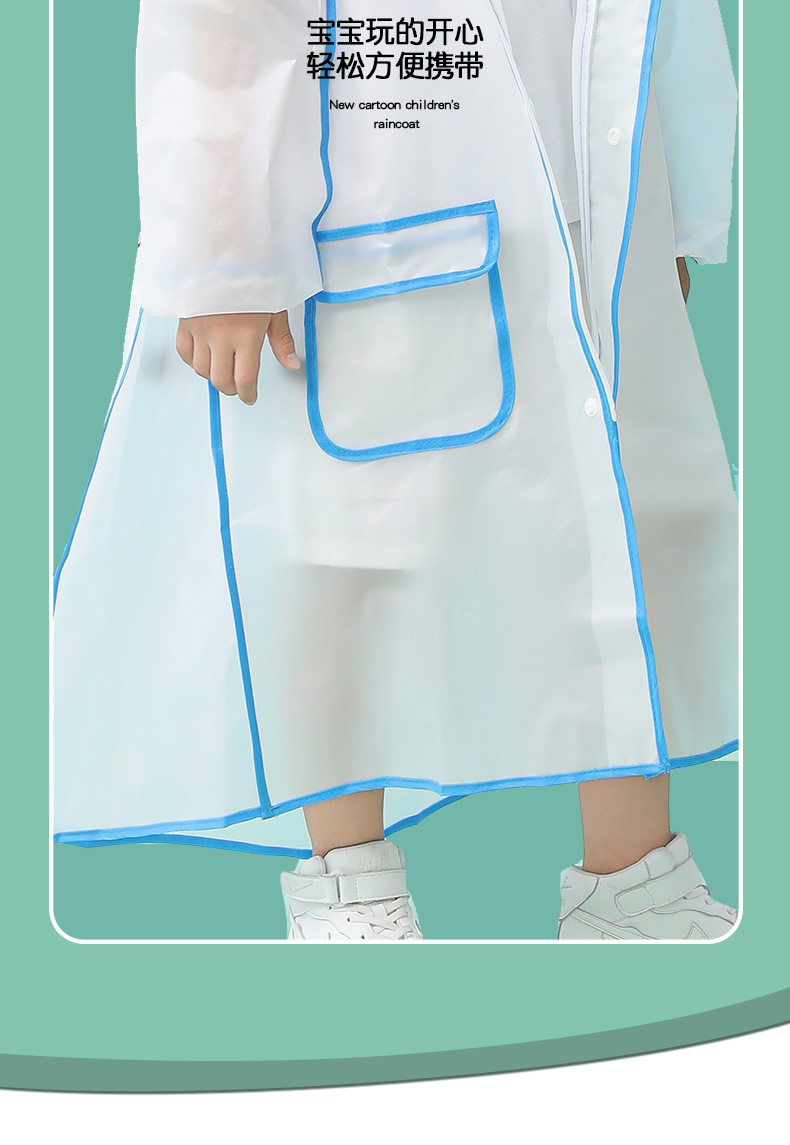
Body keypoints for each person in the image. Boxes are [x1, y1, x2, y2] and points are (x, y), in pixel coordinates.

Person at [53, 0, 739, 941]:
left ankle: (634, 887)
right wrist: (224, 254)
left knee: (623, 543)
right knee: (350, 560)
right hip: (378, 200)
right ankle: (350, 894)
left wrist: (678, 206)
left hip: (590, 189)